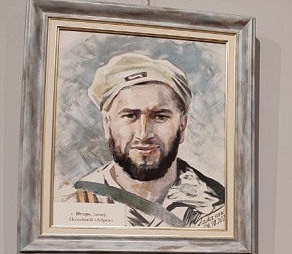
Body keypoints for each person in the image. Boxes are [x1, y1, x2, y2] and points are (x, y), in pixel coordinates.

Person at [55, 52, 225, 228]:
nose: (144, 134)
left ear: (182, 126)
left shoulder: (218, 205)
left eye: (160, 116)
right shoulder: (75, 202)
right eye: (130, 116)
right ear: (107, 125)